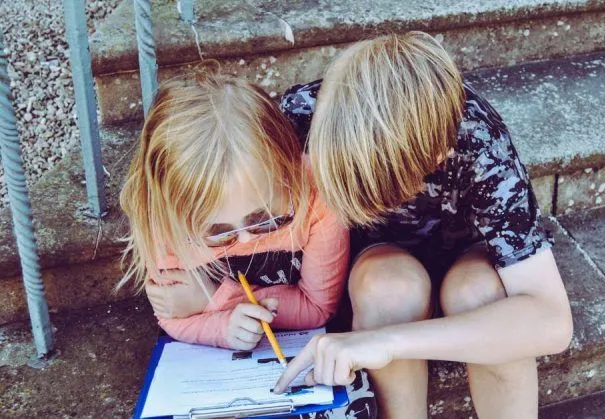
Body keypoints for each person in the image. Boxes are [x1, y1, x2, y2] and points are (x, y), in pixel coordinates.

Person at [276, 32, 573, 418]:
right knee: (388, 287)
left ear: (438, 154)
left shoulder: (477, 140)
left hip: (467, 256)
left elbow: (551, 319)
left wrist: (388, 342)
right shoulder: (301, 117)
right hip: (376, 267)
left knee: (479, 294)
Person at [118, 73, 376, 418]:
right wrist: (223, 327)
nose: (244, 240)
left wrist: (213, 298)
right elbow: (172, 316)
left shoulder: (317, 198)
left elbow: (317, 307)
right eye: (217, 232)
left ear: (289, 170)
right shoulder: (164, 222)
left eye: (265, 219)